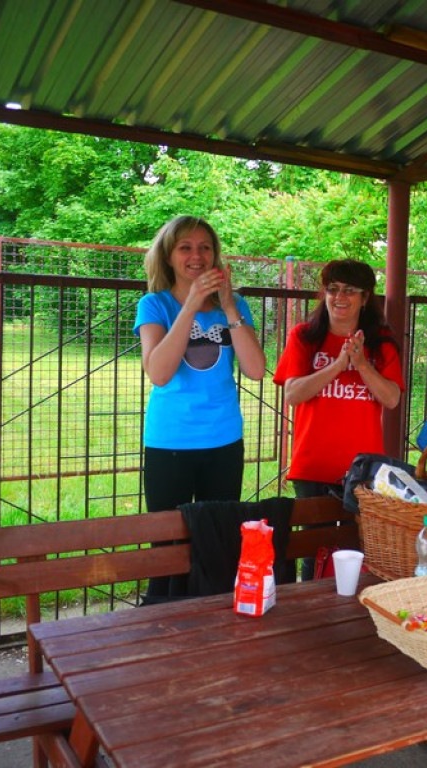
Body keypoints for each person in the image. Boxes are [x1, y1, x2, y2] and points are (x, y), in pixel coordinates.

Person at [134, 216, 266, 595]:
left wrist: (228, 308)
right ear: (169, 256)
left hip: (224, 440)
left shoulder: (234, 304)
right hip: (169, 441)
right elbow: (158, 372)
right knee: (167, 542)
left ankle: (210, 622)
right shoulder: (154, 304)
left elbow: (255, 369)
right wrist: (189, 305)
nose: (197, 256)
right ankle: (162, 616)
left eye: (205, 247)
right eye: (186, 247)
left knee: (217, 539)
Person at [273, 258, 403, 500]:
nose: (339, 296)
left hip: (364, 469)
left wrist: (362, 364)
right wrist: (338, 365)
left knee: (359, 539)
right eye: (333, 289)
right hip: (313, 467)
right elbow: (292, 394)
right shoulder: (304, 336)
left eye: (350, 290)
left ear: (364, 298)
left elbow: (392, 398)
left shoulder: (381, 341)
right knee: (314, 538)